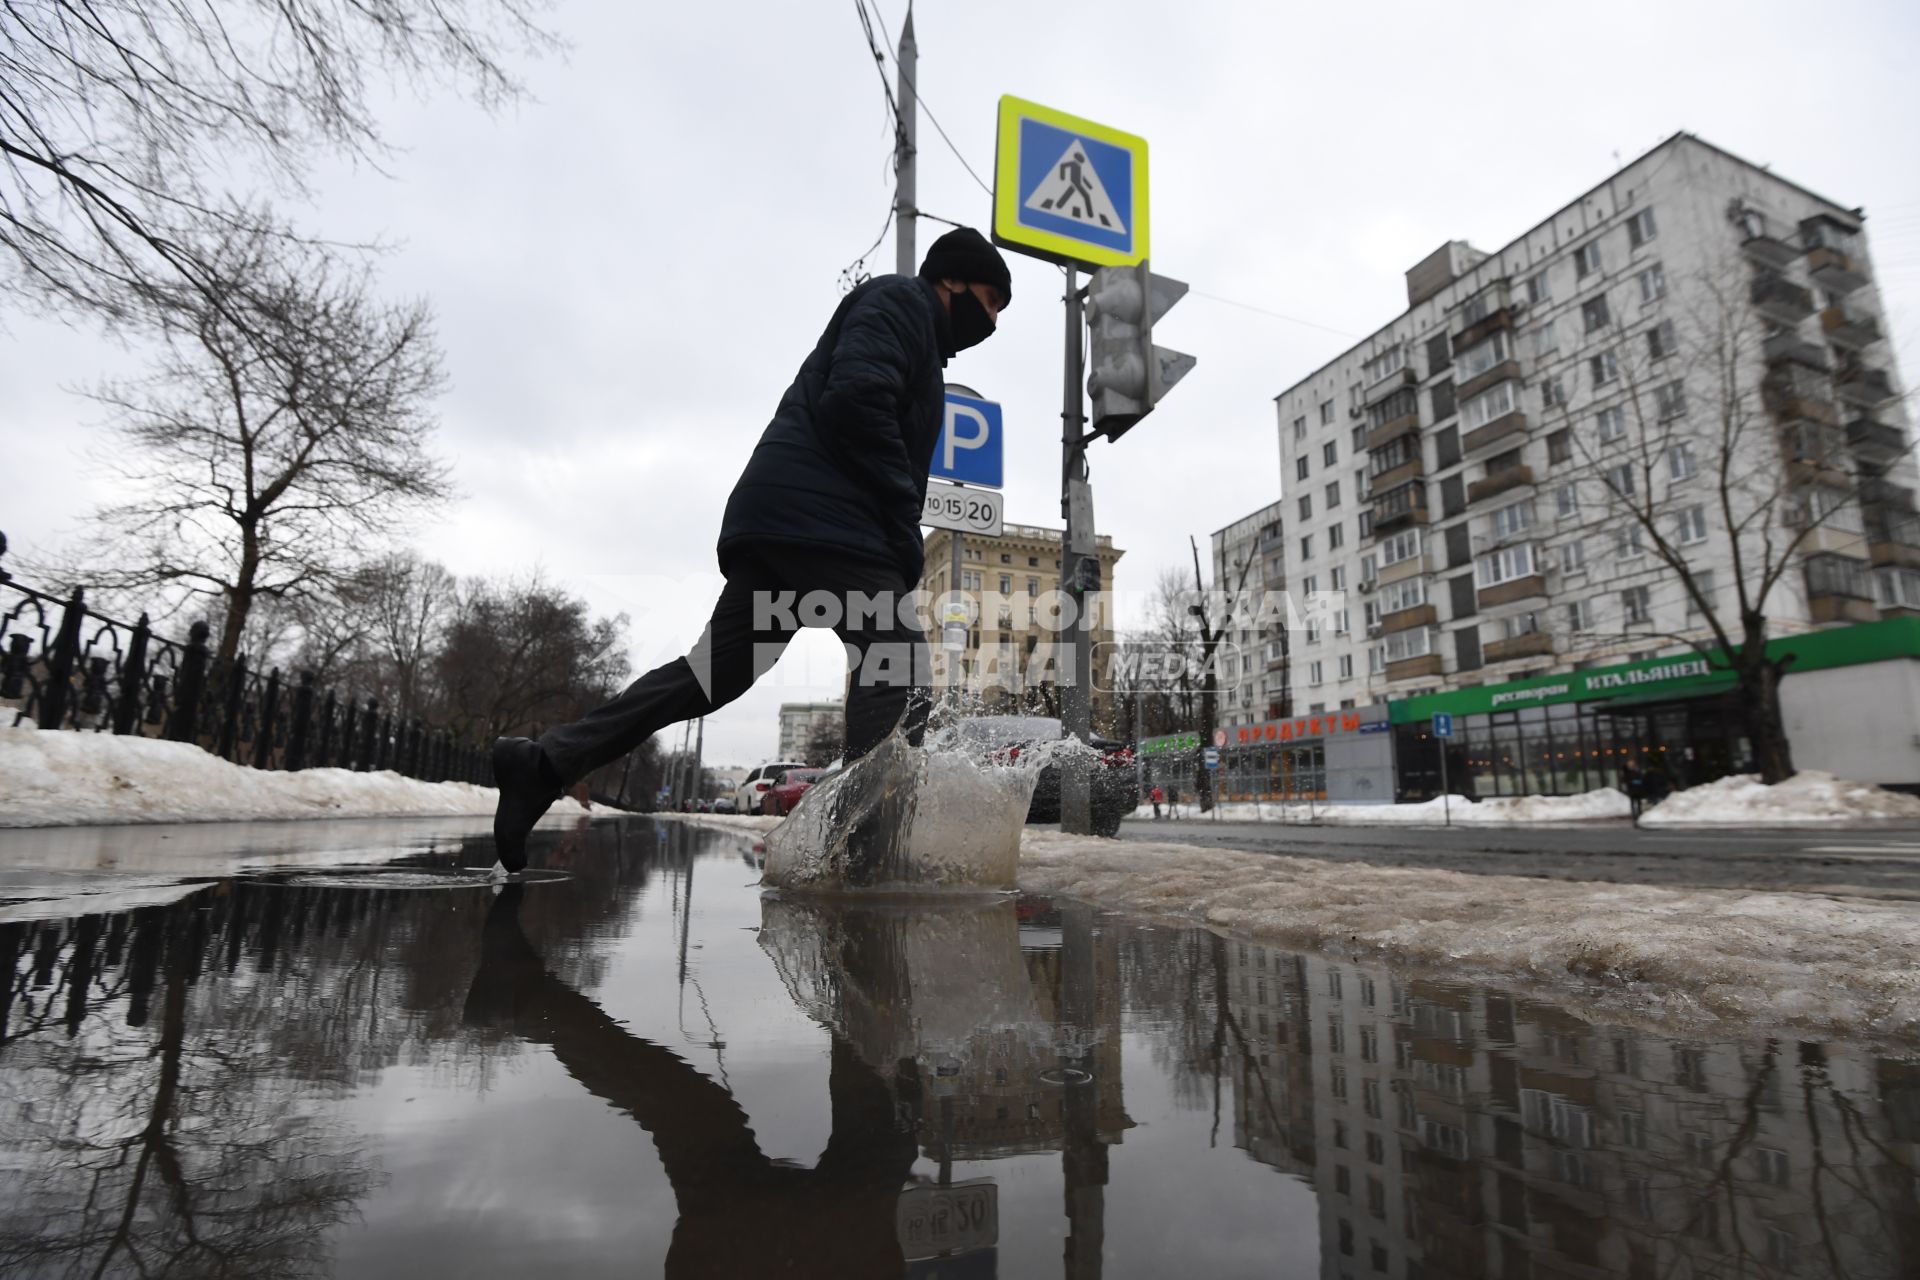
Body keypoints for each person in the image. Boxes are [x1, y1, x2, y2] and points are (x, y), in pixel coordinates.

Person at [489, 228, 1012, 871]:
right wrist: (903, 511)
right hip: (828, 525)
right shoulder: (901, 303)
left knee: (711, 675)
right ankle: (868, 856)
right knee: (899, 674)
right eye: (990, 300)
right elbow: (857, 398)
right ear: (952, 281)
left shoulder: (916, 333)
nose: (991, 320)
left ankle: (542, 763)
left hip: (790, 526)